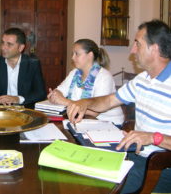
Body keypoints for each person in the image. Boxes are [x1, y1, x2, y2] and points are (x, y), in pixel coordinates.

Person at [67, 20, 171, 193]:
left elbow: (154, 138)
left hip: (160, 168)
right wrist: (85, 102)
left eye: (137, 44)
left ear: (154, 48)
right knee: (78, 171)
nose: (133, 50)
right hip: (135, 155)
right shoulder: (142, 80)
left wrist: (154, 137)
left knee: (94, 188)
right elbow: (109, 101)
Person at [48, 39, 124, 125]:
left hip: (109, 124)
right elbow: (59, 91)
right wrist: (54, 95)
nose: (72, 57)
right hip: (84, 121)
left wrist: (63, 101)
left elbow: (94, 112)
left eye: (77, 54)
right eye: (72, 54)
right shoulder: (74, 72)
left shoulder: (104, 77)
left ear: (90, 55)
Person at [0, 27, 46, 107]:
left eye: (9, 44)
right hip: (0, 111)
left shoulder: (32, 64)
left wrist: (17, 99)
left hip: (24, 111)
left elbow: (40, 93)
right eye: (2, 43)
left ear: (21, 48)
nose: (3, 47)